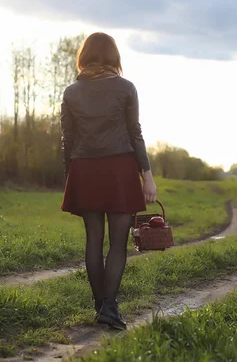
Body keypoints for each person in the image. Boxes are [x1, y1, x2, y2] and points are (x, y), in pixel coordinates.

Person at [60, 32, 157, 331]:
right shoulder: (126, 88)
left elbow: (68, 139)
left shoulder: (71, 91)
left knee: (93, 239)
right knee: (117, 243)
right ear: (114, 57)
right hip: (119, 169)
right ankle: (110, 308)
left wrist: (71, 175)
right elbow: (135, 133)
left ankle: (100, 305)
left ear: (84, 56)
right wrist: (148, 176)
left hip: (84, 168)